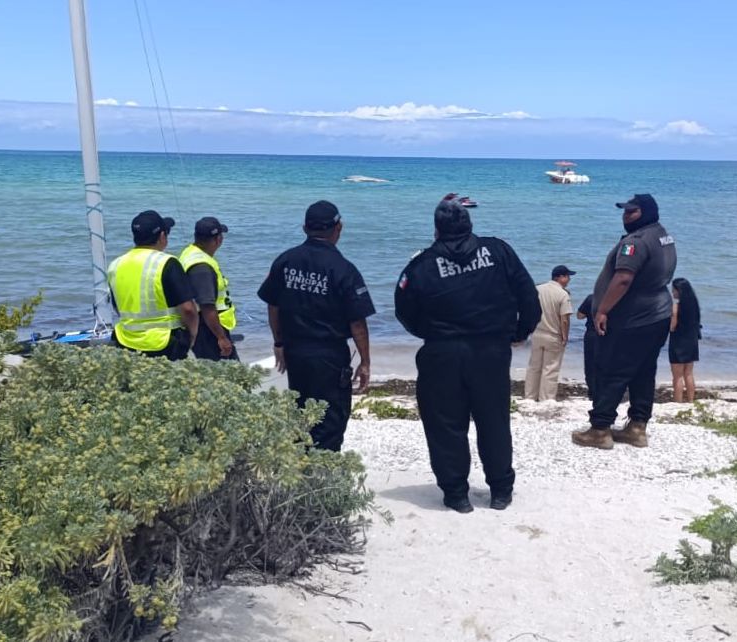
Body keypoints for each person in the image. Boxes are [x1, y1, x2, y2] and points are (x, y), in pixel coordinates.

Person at [395, 196, 541, 513]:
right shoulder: (498, 251)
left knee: (445, 424)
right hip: (490, 351)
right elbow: (529, 295)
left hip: (442, 353)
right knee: (494, 420)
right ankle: (500, 490)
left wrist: (432, 334)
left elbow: (404, 311)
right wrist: (520, 331)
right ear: (470, 224)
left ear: (436, 229)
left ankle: (456, 494)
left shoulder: (421, 265)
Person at [257, 200, 375, 452]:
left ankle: (300, 466)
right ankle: (321, 471)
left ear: (305, 228)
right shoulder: (343, 269)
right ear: (338, 228)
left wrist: (278, 342)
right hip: (328, 355)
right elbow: (357, 322)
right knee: (330, 420)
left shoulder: (285, 261)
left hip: (295, 351)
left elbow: (272, 305)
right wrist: (365, 361)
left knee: (301, 413)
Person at [572, 194, 676, 450]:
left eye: (632, 212)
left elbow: (623, 279)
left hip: (634, 318)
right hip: (659, 313)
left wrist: (602, 310)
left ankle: (600, 429)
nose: (626, 216)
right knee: (644, 371)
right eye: (625, 211)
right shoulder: (663, 235)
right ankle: (637, 427)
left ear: (647, 212)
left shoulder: (635, 242)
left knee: (613, 370)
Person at [107, 210, 198, 360]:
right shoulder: (167, 262)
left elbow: (117, 307)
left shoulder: (115, 265)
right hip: (164, 343)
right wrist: (192, 336)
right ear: (162, 236)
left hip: (126, 341)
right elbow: (188, 309)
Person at [180, 216, 239, 361]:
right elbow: (206, 306)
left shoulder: (190, 253)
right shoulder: (202, 267)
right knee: (230, 372)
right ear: (218, 239)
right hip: (208, 330)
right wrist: (221, 337)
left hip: (203, 327)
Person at [524, 265, 575, 402]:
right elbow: (564, 319)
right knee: (550, 369)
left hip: (536, 333)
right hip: (553, 335)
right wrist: (565, 337)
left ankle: (530, 396)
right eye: (567, 276)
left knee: (534, 367)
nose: (569, 279)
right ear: (560, 277)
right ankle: (546, 399)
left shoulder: (538, 289)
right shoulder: (563, 294)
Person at [669, 277, 702, 402]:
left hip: (678, 342)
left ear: (679, 291)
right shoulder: (694, 305)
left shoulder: (676, 307)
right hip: (692, 341)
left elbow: (672, 327)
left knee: (677, 376)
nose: (672, 292)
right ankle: (691, 400)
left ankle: (678, 401)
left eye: (674, 290)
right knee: (688, 373)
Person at [575, 294, 598, 401]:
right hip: (610, 335)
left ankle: (593, 391)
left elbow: (579, 316)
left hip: (592, 334)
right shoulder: (617, 298)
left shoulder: (591, 298)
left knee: (590, 364)